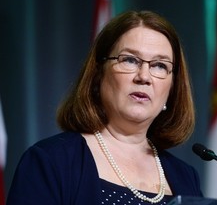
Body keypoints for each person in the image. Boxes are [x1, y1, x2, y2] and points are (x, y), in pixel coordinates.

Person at [7, 10, 202, 205]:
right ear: (98, 74)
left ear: (172, 86)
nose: (144, 76)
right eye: (130, 60)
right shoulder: (50, 161)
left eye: (159, 65)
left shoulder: (186, 177)